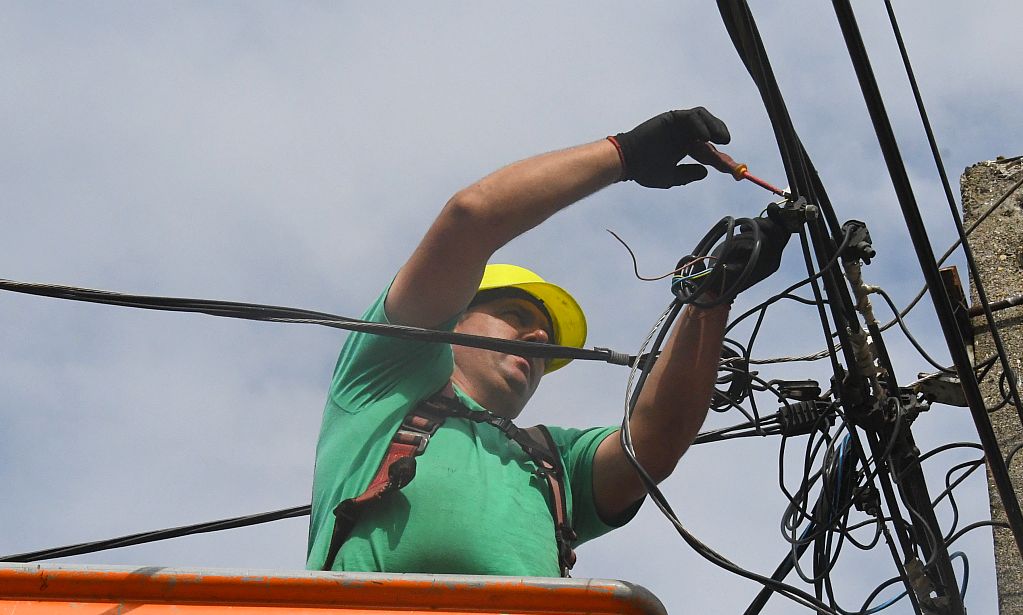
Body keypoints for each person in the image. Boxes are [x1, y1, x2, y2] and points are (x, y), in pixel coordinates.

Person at [307, 108, 737, 578]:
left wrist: (711, 299)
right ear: (454, 319)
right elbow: (471, 218)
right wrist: (624, 154)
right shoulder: (387, 383)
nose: (539, 338)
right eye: (514, 315)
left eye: (546, 339)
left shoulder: (556, 462)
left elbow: (657, 438)